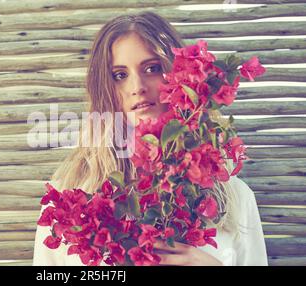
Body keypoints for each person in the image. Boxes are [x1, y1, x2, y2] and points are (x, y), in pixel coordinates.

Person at [33, 11, 268, 266]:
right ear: (105, 89)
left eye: (152, 68)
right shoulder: (68, 199)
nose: (137, 87)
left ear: (180, 76)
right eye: (120, 75)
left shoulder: (234, 198)